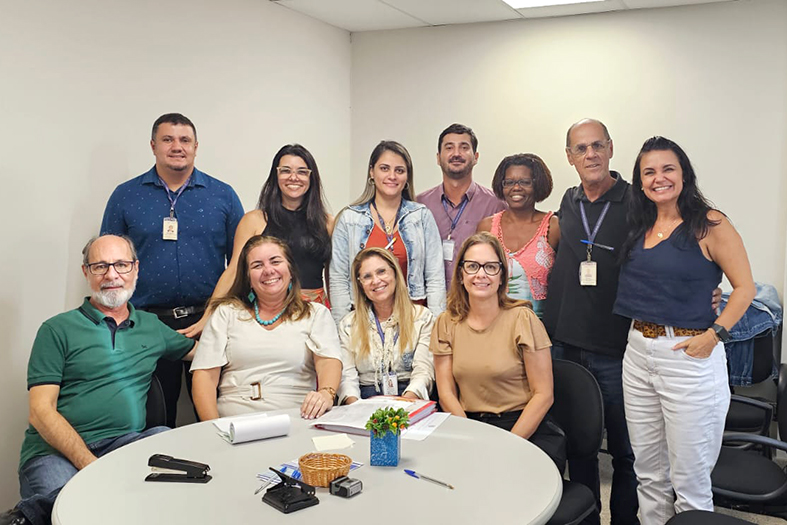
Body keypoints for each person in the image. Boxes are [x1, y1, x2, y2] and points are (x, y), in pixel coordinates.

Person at [0, 235, 196, 525]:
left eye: (121, 265)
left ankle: (36, 511)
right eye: (100, 266)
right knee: (76, 513)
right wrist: (91, 466)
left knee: (165, 439)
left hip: (125, 445)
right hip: (54, 454)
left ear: (136, 269)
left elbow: (201, 354)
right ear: (86, 272)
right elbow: (41, 412)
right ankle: (33, 513)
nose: (112, 275)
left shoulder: (151, 326)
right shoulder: (57, 329)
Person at [614, 136, 755, 524]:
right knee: (649, 474)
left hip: (689, 358)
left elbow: (745, 288)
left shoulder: (710, 224)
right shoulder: (640, 224)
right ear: (640, 181)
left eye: (667, 169)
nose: (659, 178)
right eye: (649, 172)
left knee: (689, 483)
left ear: (684, 174)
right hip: (638, 353)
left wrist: (714, 336)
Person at [101, 113, 244, 427]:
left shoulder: (222, 195)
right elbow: (108, 265)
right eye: (168, 139)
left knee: (215, 416)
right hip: (146, 324)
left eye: (184, 140)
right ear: (153, 145)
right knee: (153, 419)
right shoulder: (126, 196)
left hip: (211, 322)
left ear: (196, 147)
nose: (177, 147)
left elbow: (241, 265)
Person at [542, 118, 640, 525]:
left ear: (612, 148)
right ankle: (588, 517)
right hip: (566, 343)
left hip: (614, 348)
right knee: (579, 443)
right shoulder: (568, 201)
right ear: (569, 157)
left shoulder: (637, 202)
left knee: (624, 449)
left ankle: (625, 519)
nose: (591, 154)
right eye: (581, 149)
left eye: (597, 145)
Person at [432, 232, 566, 472]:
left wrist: (505, 446)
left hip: (522, 429)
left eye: (491, 267)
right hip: (469, 426)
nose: (481, 274)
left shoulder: (522, 318)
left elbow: (544, 394)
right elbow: (446, 394)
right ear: (461, 274)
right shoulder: (446, 323)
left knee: (503, 484)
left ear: (502, 275)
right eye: (472, 266)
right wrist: (471, 440)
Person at [180, 144, 334, 338]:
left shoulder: (328, 223)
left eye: (302, 172)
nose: (293, 177)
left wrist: (338, 316)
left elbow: (333, 277)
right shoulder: (254, 220)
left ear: (311, 177)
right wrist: (208, 316)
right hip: (268, 315)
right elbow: (233, 271)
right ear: (275, 176)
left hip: (315, 313)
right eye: (285, 171)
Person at [191, 236, 342, 420]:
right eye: (257, 265)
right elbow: (204, 377)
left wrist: (326, 394)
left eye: (275, 261)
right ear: (247, 276)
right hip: (234, 423)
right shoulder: (226, 313)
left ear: (291, 270)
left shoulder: (315, 314)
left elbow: (328, 362)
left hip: (297, 419)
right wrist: (213, 429)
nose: (268, 270)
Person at [330, 140, 445, 326]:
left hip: (414, 320)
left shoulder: (421, 216)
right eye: (384, 168)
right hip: (363, 321)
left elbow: (435, 277)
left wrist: (437, 326)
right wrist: (342, 328)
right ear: (371, 172)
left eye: (399, 170)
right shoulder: (349, 219)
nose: (392, 176)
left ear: (407, 177)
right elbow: (338, 279)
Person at [337, 247, 435, 403]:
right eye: (367, 276)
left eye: (381, 272)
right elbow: (347, 377)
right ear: (360, 284)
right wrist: (354, 407)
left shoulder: (422, 318)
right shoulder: (348, 325)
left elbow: (424, 372)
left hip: (410, 397)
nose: (376, 281)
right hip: (363, 399)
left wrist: (403, 405)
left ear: (395, 273)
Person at [417, 123, 506, 287]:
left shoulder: (496, 205)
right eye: (449, 148)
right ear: (438, 157)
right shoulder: (419, 205)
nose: (456, 153)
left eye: (464, 147)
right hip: (428, 303)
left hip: (477, 301)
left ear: (476, 157)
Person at [477, 153, 559, 317]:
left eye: (525, 182)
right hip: (493, 326)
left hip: (540, 330)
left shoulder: (553, 226)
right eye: (509, 182)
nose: (516, 188)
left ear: (538, 185)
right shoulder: (486, 227)